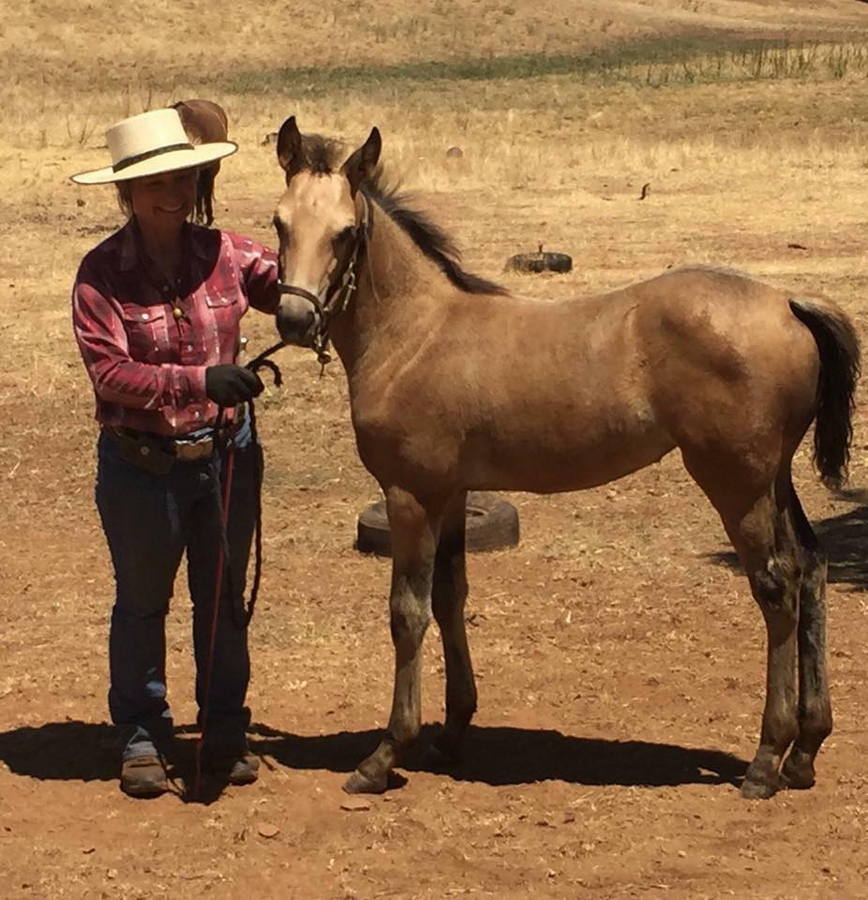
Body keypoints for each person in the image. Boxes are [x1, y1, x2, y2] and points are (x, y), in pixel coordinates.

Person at [70, 108, 279, 797]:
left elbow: (295, 282)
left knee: (221, 599)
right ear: (126, 192)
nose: (174, 191)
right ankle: (140, 732)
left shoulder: (229, 253)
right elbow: (109, 374)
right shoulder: (99, 276)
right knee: (142, 601)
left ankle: (223, 726)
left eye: (183, 175)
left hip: (225, 457)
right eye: (157, 181)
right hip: (140, 467)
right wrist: (198, 380)